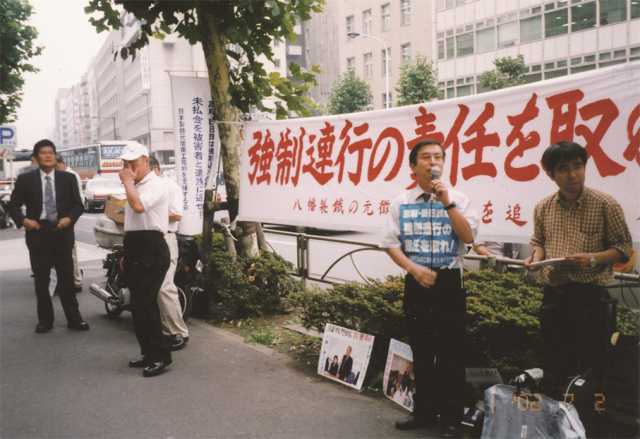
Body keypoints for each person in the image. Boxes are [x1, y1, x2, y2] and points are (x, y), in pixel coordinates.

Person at [380, 139, 478, 439]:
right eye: (425, 157)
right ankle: (423, 412)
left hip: (449, 282)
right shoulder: (401, 203)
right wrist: (413, 269)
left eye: (438, 157)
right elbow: (390, 244)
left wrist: (447, 203)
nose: (433, 162)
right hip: (417, 281)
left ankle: (450, 418)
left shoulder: (459, 199)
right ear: (413, 166)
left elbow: (468, 237)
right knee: (422, 351)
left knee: (451, 353)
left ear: (443, 163)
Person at [523, 141, 632, 387]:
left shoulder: (605, 204)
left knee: (592, 370)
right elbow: (538, 242)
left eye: (578, 166)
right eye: (564, 169)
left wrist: (592, 258)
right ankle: (557, 409)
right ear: (550, 174)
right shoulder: (543, 207)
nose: (572, 174)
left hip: (589, 298)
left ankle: (590, 411)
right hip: (554, 296)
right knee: (555, 366)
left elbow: (623, 249)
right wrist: (535, 260)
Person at [7, 139, 89, 333]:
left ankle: (74, 319)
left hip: (62, 231)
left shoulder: (68, 178)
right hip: (38, 232)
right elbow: (13, 205)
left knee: (66, 278)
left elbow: (78, 205)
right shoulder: (26, 179)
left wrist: (69, 218)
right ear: (36, 157)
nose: (48, 156)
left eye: (51, 152)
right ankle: (45, 321)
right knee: (42, 279)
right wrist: (24, 220)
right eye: (43, 153)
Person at [118, 144, 172, 377]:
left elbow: (139, 207)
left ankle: (160, 355)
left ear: (146, 160)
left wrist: (127, 182)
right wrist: (126, 252)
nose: (129, 168)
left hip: (151, 246)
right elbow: (133, 223)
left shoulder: (157, 184)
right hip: (135, 244)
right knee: (138, 305)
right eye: (125, 163)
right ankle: (149, 352)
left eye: (134, 163)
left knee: (145, 304)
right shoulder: (137, 185)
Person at [149, 157, 189, 351]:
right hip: (147, 239)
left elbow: (177, 214)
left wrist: (149, 211)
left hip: (165, 238)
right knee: (151, 288)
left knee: (164, 286)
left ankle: (178, 332)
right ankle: (162, 331)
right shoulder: (145, 187)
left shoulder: (169, 186)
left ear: (155, 167)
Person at [55, 154, 84, 292]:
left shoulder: (71, 176)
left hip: (68, 219)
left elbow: (79, 200)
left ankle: (77, 281)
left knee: (71, 252)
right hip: (62, 220)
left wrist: (70, 218)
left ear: (62, 163)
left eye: (56, 166)